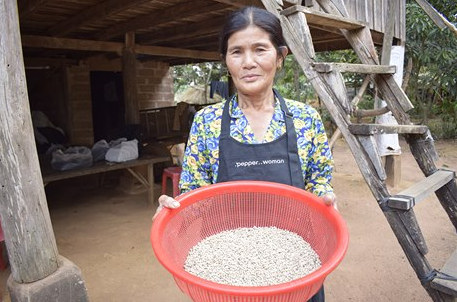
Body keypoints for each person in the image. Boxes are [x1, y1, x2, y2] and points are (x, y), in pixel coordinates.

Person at [154, 6, 336, 302]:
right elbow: (193, 196)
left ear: (280, 57)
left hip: (294, 261)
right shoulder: (207, 122)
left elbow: (319, 182)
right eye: (236, 51)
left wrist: (325, 197)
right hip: (226, 268)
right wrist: (174, 209)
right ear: (226, 60)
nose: (248, 62)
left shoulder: (306, 119)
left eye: (260, 49)